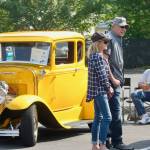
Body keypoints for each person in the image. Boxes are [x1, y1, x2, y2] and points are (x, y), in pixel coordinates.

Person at [106, 17, 134, 150]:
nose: (124, 29)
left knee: (110, 113)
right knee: (114, 113)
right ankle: (117, 142)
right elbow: (105, 62)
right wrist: (113, 80)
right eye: (121, 26)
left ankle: (107, 142)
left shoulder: (117, 38)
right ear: (113, 26)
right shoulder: (109, 39)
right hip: (111, 83)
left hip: (115, 82)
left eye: (125, 27)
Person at [86, 32, 113, 150]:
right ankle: (102, 145)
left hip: (96, 91)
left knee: (98, 118)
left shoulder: (94, 56)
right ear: (98, 43)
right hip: (100, 91)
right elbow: (102, 75)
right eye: (105, 41)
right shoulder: (97, 56)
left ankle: (94, 145)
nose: (107, 44)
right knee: (107, 117)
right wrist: (109, 88)